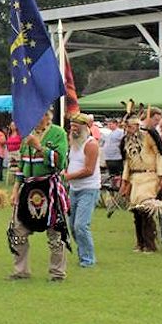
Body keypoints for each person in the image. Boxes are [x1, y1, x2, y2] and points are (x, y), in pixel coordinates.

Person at [7, 110, 70, 282]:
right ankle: (21, 270)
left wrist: (39, 147)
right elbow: (22, 166)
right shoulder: (27, 136)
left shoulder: (58, 133)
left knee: (56, 233)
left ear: (45, 115)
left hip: (48, 187)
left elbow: (60, 162)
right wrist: (15, 191)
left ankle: (57, 273)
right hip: (27, 188)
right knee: (18, 230)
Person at [121, 112, 162, 253]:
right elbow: (127, 163)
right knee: (136, 212)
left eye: (130, 126)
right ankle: (140, 243)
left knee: (146, 209)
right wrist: (125, 182)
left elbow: (160, 155)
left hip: (149, 177)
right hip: (135, 178)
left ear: (136, 125)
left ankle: (150, 244)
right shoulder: (126, 140)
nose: (128, 129)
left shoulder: (148, 136)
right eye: (126, 127)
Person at [62, 113, 99, 268]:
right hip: (74, 189)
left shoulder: (91, 144)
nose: (73, 130)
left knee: (81, 225)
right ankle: (84, 254)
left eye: (76, 127)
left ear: (85, 127)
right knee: (73, 226)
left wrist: (69, 176)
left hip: (88, 189)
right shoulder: (74, 143)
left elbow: (89, 170)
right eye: (72, 127)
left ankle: (88, 260)